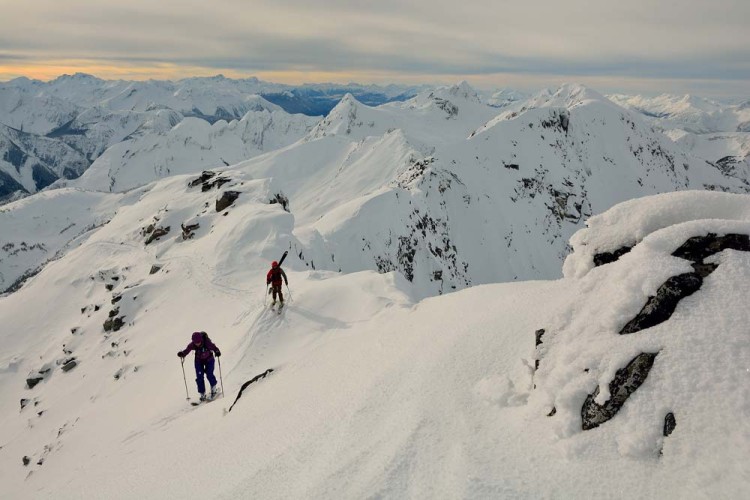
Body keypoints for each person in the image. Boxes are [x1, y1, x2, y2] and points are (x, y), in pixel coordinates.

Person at [178, 331, 221, 400]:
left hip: (209, 359)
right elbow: (187, 350)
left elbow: (214, 348)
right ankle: (202, 394)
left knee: (209, 374)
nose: (197, 344)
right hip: (199, 361)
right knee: (199, 377)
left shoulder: (207, 342)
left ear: (201, 340)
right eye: (195, 342)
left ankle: (214, 389)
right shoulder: (192, 344)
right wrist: (182, 354)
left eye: (198, 342)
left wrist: (217, 351)